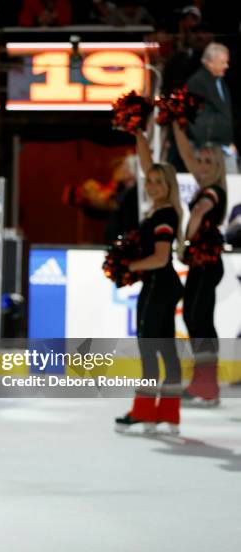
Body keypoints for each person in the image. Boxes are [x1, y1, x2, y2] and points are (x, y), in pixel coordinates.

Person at [115, 131, 184, 435]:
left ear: (169, 186)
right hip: (161, 286)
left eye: (159, 182)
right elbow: (147, 165)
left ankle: (145, 412)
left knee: (151, 350)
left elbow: (159, 258)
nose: (152, 185)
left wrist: (129, 265)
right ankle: (167, 415)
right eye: (151, 181)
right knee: (165, 350)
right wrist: (139, 134)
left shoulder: (164, 215)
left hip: (158, 286)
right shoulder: (162, 210)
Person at [173, 120, 227, 406]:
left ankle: (206, 386)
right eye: (202, 160)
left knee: (199, 319)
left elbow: (198, 215)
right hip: (201, 261)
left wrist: (184, 241)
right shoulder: (204, 182)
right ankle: (204, 383)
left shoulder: (212, 190)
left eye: (208, 161)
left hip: (207, 261)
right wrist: (176, 124)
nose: (202, 164)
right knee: (195, 318)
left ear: (217, 165)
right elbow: (185, 154)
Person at [186, 42, 237, 174]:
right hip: (208, 151)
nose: (227, 66)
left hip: (224, 147)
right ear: (209, 63)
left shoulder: (220, 82)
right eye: (223, 62)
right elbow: (198, 120)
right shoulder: (196, 83)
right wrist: (221, 143)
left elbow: (225, 114)